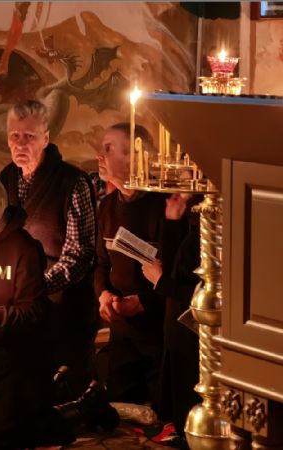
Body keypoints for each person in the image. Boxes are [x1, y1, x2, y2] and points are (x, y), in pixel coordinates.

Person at [0, 170, 117, 450]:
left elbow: (35, 311)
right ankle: (78, 402)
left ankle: (87, 407)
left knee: (14, 436)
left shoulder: (23, 247)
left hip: (19, 357)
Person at [0, 99, 98, 400]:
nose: (20, 143)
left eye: (29, 136)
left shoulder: (72, 182)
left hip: (64, 307)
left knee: (64, 396)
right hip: (21, 305)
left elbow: (80, 253)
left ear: (46, 138)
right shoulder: (6, 178)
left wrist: (37, 286)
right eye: (15, 135)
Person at [94, 122, 171, 410]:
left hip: (159, 333)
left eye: (108, 148)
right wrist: (103, 294)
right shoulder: (107, 206)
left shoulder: (165, 207)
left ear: (134, 157)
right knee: (121, 415)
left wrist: (143, 302)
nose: (100, 155)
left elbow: (178, 277)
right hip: (122, 332)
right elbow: (101, 264)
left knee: (160, 416)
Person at [141, 193, 201, 443]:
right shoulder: (192, 223)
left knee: (188, 391)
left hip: (193, 328)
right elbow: (174, 263)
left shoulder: (209, 229)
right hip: (176, 323)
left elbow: (204, 293)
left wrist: (161, 281)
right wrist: (172, 220)